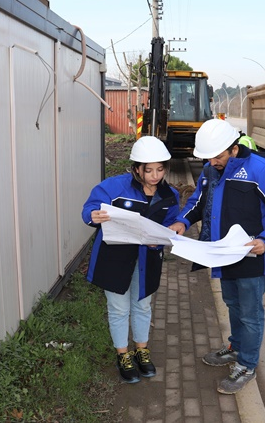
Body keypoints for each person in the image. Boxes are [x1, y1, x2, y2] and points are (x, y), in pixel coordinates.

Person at [169, 119, 265, 394]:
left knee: (251, 314)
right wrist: (182, 221)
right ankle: (236, 348)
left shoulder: (261, 171)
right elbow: (198, 203)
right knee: (233, 304)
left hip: (252, 256)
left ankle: (247, 365)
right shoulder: (209, 171)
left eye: (218, 156)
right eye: (208, 157)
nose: (213, 161)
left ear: (234, 149)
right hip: (222, 254)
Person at [81, 136, 180, 384]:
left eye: (160, 169)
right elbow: (89, 210)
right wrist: (93, 216)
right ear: (136, 168)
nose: (155, 176)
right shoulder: (114, 188)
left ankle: (141, 351)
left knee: (143, 305)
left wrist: (168, 235)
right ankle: (123, 355)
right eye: (148, 170)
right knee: (118, 309)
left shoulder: (170, 195)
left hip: (148, 260)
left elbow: (170, 225)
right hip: (114, 258)